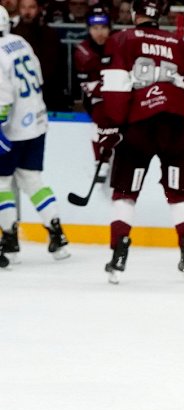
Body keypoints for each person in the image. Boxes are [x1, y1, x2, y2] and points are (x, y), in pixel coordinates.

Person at [96, 0, 184, 284]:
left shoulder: (122, 40)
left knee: (125, 193)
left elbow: (115, 91)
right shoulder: (179, 44)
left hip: (140, 126)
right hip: (175, 126)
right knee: (180, 193)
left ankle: (118, 254)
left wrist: (114, 125)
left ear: (134, 14)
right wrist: (173, 108)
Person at [0, 6, 68, 267]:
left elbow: (3, 97)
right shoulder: (19, 42)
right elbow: (39, 76)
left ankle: (9, 240)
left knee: (2, 184)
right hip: (36, 122)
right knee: (32, 180)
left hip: (11, 129)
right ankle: (57, 235)